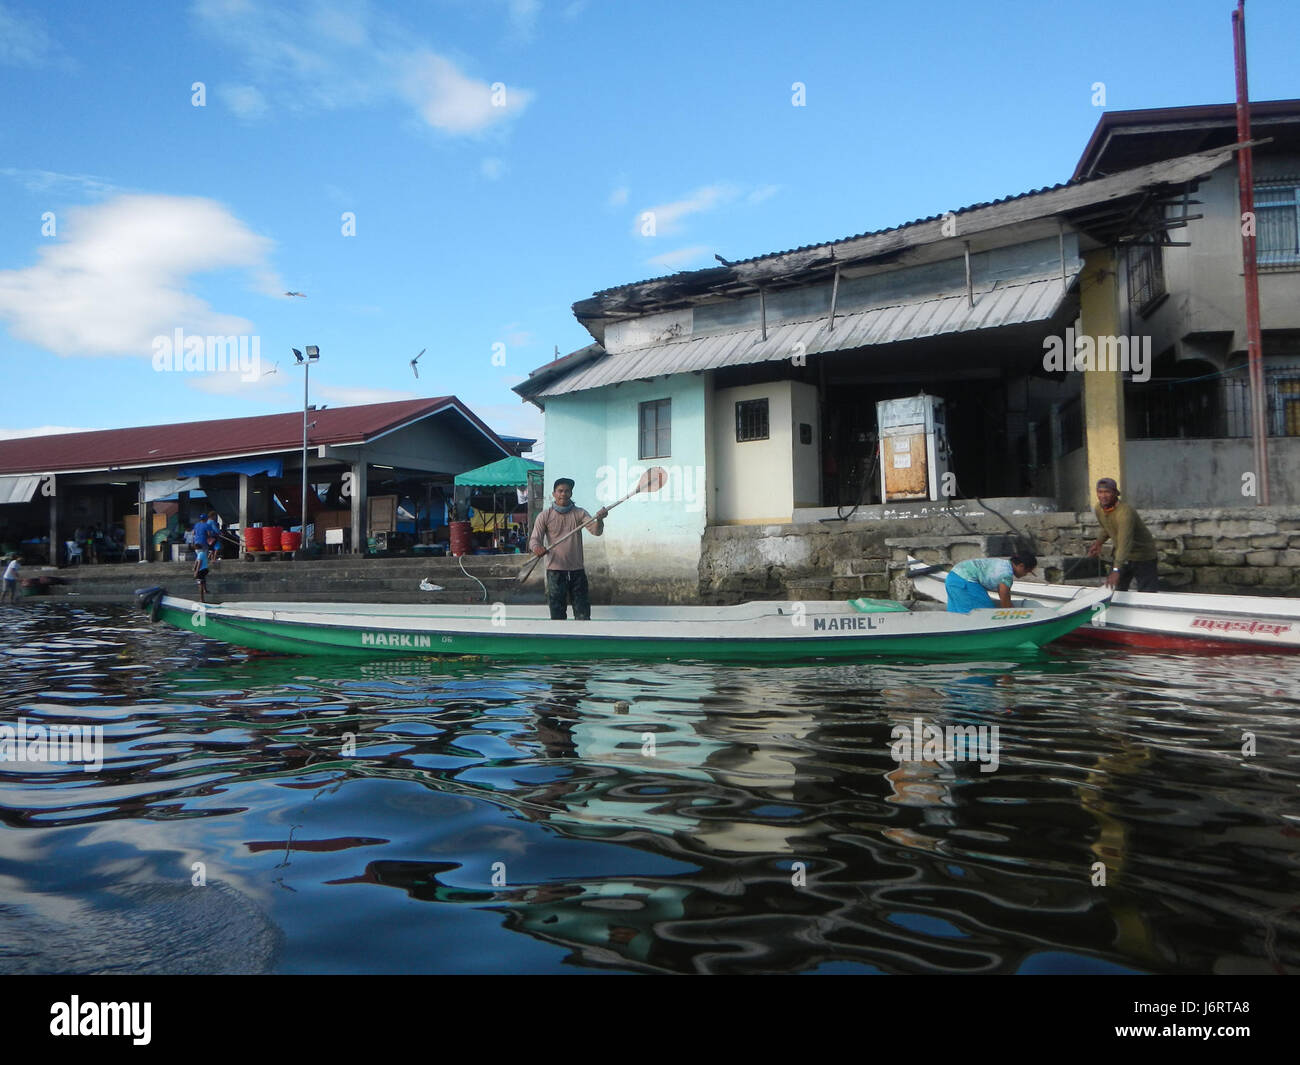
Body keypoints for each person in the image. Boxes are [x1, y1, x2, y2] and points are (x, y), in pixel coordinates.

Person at [528, 477, 609, 621]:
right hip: (555, 571)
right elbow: (534, 540)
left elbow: (596, 531)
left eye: (567, 491)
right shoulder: (545, 516)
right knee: (557, 612)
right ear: (554, 494)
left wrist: (600, 520)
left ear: (571, 494)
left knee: (583, 612)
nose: (563, 494)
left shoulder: (580, 513)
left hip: (577, 570)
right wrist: (537, 548)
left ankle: (583, 640)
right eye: (560, 491)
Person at [1088, 477, 1158, 591]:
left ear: (1115, 493)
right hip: (1122, 556)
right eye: (1100, 492)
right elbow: (1107, 527)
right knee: (1113, 590)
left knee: (1148, 594)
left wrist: (1116, 570)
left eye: (1107, 492)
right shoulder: (1098, 508)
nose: (1103, 496)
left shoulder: (1125, 513)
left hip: (1143, 556)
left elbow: (1124, 543)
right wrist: (1098, 543)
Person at [945, 552, 1037, 613]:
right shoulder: (1007, 575)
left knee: (957, 615)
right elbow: (1004, 598)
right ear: (1021, 566)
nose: (1025, 575)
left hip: (952, 576)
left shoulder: (1002, 563)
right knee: (986, 613)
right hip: (965, 581)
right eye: (1027, 571)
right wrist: (1013, 616)